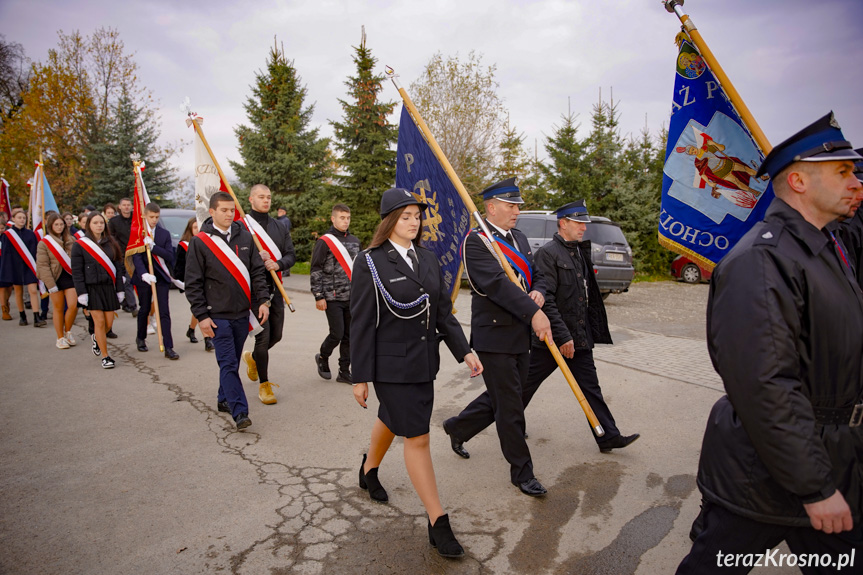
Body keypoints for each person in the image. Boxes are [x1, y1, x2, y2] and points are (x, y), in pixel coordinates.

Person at [677, 112, 863, 574]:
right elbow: (766, 386)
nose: (856, 183)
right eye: (843, 172)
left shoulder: (827, 248)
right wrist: (815, 487)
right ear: (798, 181)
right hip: (766, 475)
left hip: (829, 456)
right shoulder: (763, 261)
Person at [444, 200, 640, 460]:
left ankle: (607, 434)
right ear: (564, 223)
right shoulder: (548, 253)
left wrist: (585, 333)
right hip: (550, 337)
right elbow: (544, 300)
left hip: (576, 337)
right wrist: (562, 335)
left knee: (589, 388)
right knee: (514, 395)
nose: (583, 228)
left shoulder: (578, 251)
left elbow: (581, 297)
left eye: (584, 223)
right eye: (578, 223)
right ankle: (460, 427)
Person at [351, 188, 483, 558]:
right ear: (390, 220)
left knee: (394, 419)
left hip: (424, 363)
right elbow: (361, 322)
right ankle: (438, 521)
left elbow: (443, 312)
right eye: (406, 216)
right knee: (418, 437)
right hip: (390, 366)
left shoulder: (428, 259)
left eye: (417, 215)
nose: (414, 221)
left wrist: (465, 350)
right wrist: (359, 377)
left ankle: (369, 468)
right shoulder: (370, 262)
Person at [442, 177, 552, 497]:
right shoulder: (476, 241)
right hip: (494, 338)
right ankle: (522, 473)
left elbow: (536, 274)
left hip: (520, 336)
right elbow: (495, 285)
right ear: (491, 207)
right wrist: (533, 313)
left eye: (517, 205)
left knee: (505, 399)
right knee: (511, 407)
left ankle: (458, 427)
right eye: (510, 205)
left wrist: (539, 293)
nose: (517, 210)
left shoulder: (518, 237)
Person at [184, 192, 269, 430]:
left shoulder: (245, 237)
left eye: (232, 210)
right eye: (224, 210)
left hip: (242, 315)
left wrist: (263, 301)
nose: (230, 214)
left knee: (230, 362)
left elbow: (256, 273)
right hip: (217, 316)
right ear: (212, 212)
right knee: (229, 364)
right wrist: (201, 316)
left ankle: (224, 398)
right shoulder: (200, 242)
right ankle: (240, 412)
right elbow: (193, 284)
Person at [240, 184, 296, 405]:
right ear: (251, 199)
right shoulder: (242, 226)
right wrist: (255, 257)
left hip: (275, 287)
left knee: (277, 335)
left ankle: (253, 359)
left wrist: (277, 263)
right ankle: (265, 385)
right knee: (262, 338)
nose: (266, 201)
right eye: (261, 197)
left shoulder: (279, 227)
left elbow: (291, 255)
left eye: (269, 197)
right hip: (254, 290)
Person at [311, 203, 360, 383]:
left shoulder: (355, 241)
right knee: (337, 333)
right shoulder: (325, 241)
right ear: (333, 219)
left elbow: (358, 269)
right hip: (331, 296)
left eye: (348, 218)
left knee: (349, 335)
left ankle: (344, 371)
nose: (345, 221)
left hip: (351, 296)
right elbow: (316, 268)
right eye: (342, 218)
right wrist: (318, 295)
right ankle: (323, 357)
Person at [71, 212, 124, 368]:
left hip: (108, 287)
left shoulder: (111, 243)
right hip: (91, 287)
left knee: (108, 323)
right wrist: (81, 293)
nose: (99, 225)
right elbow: (77, 271)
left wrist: (120, 289)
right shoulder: (80, 244)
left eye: (101, 222)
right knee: (99, 322)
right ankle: (106, 356)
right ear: (89, 225)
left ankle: (96, 337)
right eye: (95, 223)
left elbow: (118, 268)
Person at [131, 202, 179, 360]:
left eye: (157, 217)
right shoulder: (138, 233)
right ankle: (140, 338)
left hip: (161, 277)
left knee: (164, 311)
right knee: (144, 308)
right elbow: (136, 256)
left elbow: (169, 256)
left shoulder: (164, 234)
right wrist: (143, 273)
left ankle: (168, 346)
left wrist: (153, 247)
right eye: (151, 217)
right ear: (144, 215)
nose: (154, 220)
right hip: (143, 277)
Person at [36, 212, 78, 348]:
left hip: (70, 277)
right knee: (58, 308)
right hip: (54, 278)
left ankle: (68, 331)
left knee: (73, 306)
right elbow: (42, 265)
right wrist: (50, 284)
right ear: (51, 226)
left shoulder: (71, 240)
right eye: (56, 225)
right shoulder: (44, 243)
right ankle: (60, 338)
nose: (59, 227)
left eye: (61, 224)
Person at [0, 209, 46, 327]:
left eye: (24, 218)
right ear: (13, 219)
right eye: (19, 217)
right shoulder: (8, 235)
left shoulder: (30, 234)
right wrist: (7, 270)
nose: (22, 220)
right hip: (15, 266)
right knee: (19, 292)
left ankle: (36, 316)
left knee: (32, 290)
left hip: (29, 265)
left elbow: (35, 251)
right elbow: (6, 254)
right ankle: (22, 316)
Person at [175, 217, 214, 351]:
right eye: (195, 227)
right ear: (190, 229)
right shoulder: (184, 245)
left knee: (200, 308)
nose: (197, 230)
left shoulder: (206, 243)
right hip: (192, 282)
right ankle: (207, 339)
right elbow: (179, 267)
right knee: (200, 306)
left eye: (199, 227)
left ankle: (191, 330)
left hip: (207, 281)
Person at [108, 197, 137, 315]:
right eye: (124, 205)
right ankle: (133, 306)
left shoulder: (136, 219)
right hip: (122, 255)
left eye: (128, 205)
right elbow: (111, 238)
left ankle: (127, 304)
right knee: (127, 280)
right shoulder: (114, 222)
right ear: (119, 207)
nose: (126, 207)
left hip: (136, 253)